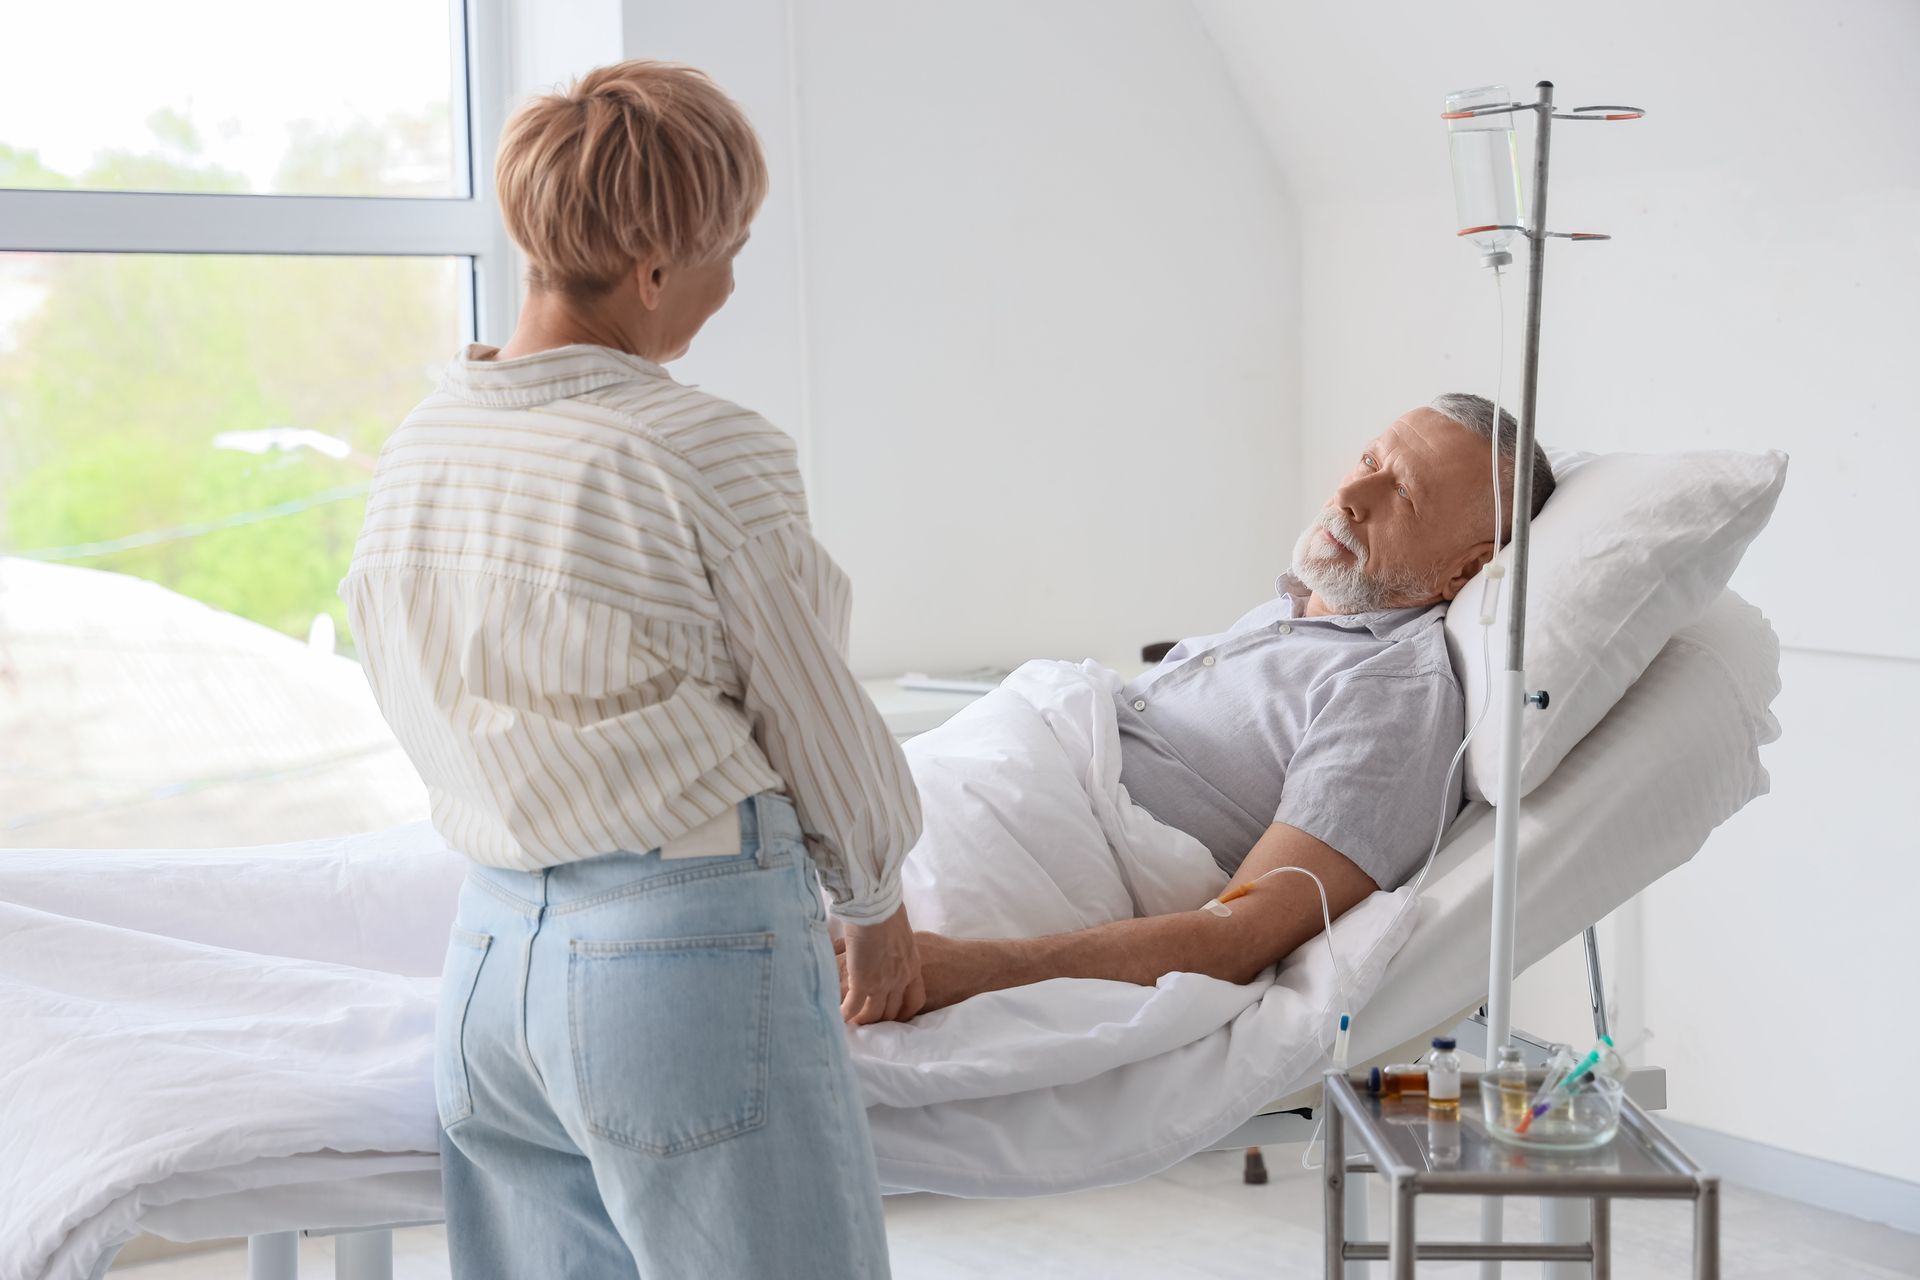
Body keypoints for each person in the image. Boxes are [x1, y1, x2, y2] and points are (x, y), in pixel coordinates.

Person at [340, 61, 918, 1279]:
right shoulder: (701, 447)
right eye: (730, 249)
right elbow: (817, 718)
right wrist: (875, 904)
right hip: (679, 951)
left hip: (492, 963)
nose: (729, 282)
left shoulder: (420, 449)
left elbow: (403, 683)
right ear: (655, 267)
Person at [842, 395, 1555, 1016]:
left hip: (1009, 859)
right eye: (1369, 457)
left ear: (1466, 567)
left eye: (1401, 492)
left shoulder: (1391, 697)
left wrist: (954, 971)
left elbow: (1237, 938)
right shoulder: (1296, 614)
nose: (1351, 494)